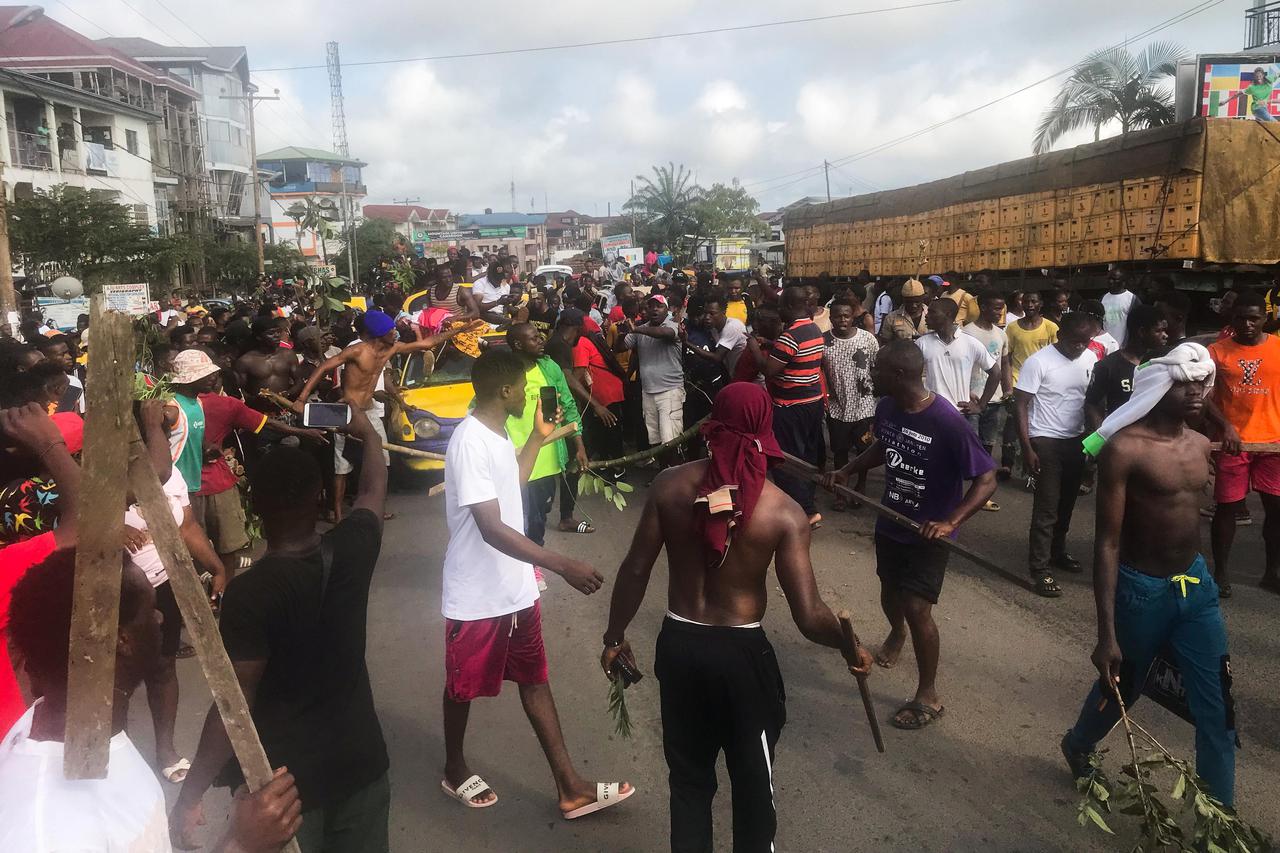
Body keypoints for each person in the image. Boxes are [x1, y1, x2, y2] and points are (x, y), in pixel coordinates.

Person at [600, 382, 871, 852]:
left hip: (680, 647)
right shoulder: (783, 513)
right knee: (752, 788)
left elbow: (636, 568)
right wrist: (851, 645)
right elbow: (809, 616)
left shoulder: (668, 486)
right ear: (766, 429)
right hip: (741, 658)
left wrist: (614, 635)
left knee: (688, 783)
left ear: (712, 426)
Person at [172, 407, 393, 851]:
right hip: (361, 762)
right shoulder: (353, 548)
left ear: (255, 504)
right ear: (318, 498)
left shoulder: (250, 594)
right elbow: (372, 488)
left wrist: (190, 791)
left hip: (287, 788)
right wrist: (367, 433)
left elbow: (235, 706)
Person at [2, 548, 304, 853]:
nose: (160, 618)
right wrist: (240, 844)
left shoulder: (76, 725)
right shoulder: (45, 831)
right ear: (123, 640)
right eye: (150, 609)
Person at [439, 348, 633, 818]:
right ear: (505, 391)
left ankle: (570, 787)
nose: (528, 395)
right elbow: (490, 526)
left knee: (535, 680)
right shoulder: (469, 441)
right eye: (523, 389)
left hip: (516, 586)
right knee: (462, 687)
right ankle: (455, 767)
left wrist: (539, 440)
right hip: (477, 593)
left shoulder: (499, 433)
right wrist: (561, 563)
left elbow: (510, 486)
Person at [1063, 343, 1236, 806]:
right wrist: (1106, 633)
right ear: (1161, 385)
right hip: (1142, 591)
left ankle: (1220, 815)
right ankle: (1079, 743)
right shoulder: (1125, 450)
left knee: (1216, 705)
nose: (1198, 391)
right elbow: (1108, 542)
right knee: (1122, 684)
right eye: (1186, 383)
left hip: (1195, 588)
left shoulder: (1200, 445)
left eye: (1203, 383)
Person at [824, 341, 996, 730]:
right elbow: (885, 448)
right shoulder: (887, 408)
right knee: (889, 592)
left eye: (878, 369)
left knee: (919, 608)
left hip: (929, 534)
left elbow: (986, 479)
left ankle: (928, 694)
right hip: (891, 521)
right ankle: (896, 633)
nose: (871, 375)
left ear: (899, 375)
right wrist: (847, 470)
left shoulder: (947, 421)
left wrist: (952, 521)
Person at [292, 310, 477, 520]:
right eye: (391, 331)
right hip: (348, 413)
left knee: (382, 461)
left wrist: (459, 330)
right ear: (379, 334)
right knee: (342, 467)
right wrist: (301, 399)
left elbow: (426, 344)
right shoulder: (357, 351)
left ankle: (377, 507)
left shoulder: (392, 349)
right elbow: (325, 366)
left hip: (370, 411)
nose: (396, 333)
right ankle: (338, 513)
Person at [1014, 312, 1098, 597]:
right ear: (1061, 336)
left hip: (1076, 441)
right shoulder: (1039, 362)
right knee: (1047, 508)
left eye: (1085, 341)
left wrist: (1092, 439)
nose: (1080, 346)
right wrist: (1026, 447)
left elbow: (1090, 401)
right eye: (1075, 341)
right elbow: (1021, 405)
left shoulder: (1090, 359)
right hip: (1045, 440)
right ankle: (1039, 568)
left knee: (1067, 504)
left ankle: (1057, 552)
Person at [1203, 291, 1280, 597]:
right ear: (1231, 319)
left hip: (1273, 444)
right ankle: (1220, 572)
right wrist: (1225, 427)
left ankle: (1272, 571)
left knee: (1276, 510)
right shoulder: (1216, 351)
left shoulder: (1278, 348)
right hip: (1232, 445)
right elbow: (1204, 395)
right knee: (1227, 508)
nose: (1247, 324)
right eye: (1240, 318)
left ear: (1265, 318)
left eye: (1254, 318)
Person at [745, 287, 827, 529]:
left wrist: (754, 349)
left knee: (786, 458)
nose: (778, 310)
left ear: (790, 307)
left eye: (781, 306)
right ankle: (807, 503)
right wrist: (771, 342)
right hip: (813, 402)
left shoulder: (789, 336)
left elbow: (769, 370)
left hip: (790, 407)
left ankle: (805, 511)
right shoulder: (813, 329)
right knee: (808, 455)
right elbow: (796, 355)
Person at [506, 322, 590, 543]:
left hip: (547, 464)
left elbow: (569, 406)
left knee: (538, 519)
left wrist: (579, 444)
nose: (541, 340)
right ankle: (522, 568)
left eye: (540, 336)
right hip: (514, 463)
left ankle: (533, 565)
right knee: (517, 521)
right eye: (534, 338)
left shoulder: (549, 367)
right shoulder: (504, 373)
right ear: (518, 344)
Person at [822, 301, 879, 509]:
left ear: (853, 317)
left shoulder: (867, 339)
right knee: (840, 451)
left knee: (863, 450)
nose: (842, 320)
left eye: (846, 315)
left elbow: (876, 367)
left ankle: (861, 485)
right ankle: (840, 490)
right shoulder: (824, 342)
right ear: (831, 319)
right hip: (837, 407)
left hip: (864, 405)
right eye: (838, 316)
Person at [618, 295, 685, 461]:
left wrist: (636, 329)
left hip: (669, 391)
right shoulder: (640, 329)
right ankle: (663, 477)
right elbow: (620, 347)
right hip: (648, 392)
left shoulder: (673, 326)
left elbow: (664, 333)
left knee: (670, 441)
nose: (655, 309)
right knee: (655, 440)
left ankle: (674, 478)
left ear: (666, 310)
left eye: (659, 306)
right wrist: (622, 332)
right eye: (651, 306)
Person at [1084, 306, 1169, 431]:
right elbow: (1092, 405)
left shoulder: (1163, 365)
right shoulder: (1107, 366)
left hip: (1156, 440)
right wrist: (1102, 438)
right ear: (1141, 332)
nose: (1165, 335)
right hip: (1122, 440)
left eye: (1165, 331)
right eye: (1158, 331)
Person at [916, 298, 1000, 414]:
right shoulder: (921, 343)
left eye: (932, 312)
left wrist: (981, 406)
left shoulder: (970, 342)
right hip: (932, 413)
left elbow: (996, 372)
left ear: (948, 314)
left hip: (963, 415)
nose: (926, 315)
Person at [963, 290, 1013, 467]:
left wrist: (1008, 390)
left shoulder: (1001, 334)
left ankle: (983, 477)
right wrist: (965, 392)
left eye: (1002, 309)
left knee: (989, 443)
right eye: (997, 308)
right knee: (971, 442)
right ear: (983, 307)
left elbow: (1005, 364)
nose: (1000, 313)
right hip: (972, 399)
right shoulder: (966, 334)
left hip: (995, 400)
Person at [235, 317, 305, 415]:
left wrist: (288, 394)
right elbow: (239, 390)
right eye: (271, 333)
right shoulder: (245, 361)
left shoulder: (288, 354)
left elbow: (299, 381)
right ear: (259, 337)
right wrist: (255, 399)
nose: (277, 336)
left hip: (285, 410)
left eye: (278, 332)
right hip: (259, 413)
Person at [1005, 291, 1058, 384]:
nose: (1030, 305)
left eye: (1034, 301)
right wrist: (1008, 384)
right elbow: (1007, 356)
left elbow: (1057, 357)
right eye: (1026, 302)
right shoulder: (1012, 327)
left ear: (1041, 304)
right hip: (1017, 380)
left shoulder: (1051, 327)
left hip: (1043, 380)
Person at [1101, 268, 1140, 349]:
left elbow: (1138, 324)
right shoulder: (1103, 298)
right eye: (1109, 279)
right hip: (1106, 346)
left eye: (1115, 279)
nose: (1111, 281)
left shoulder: (1132, 299)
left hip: (1124, 347)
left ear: (1123, 282)